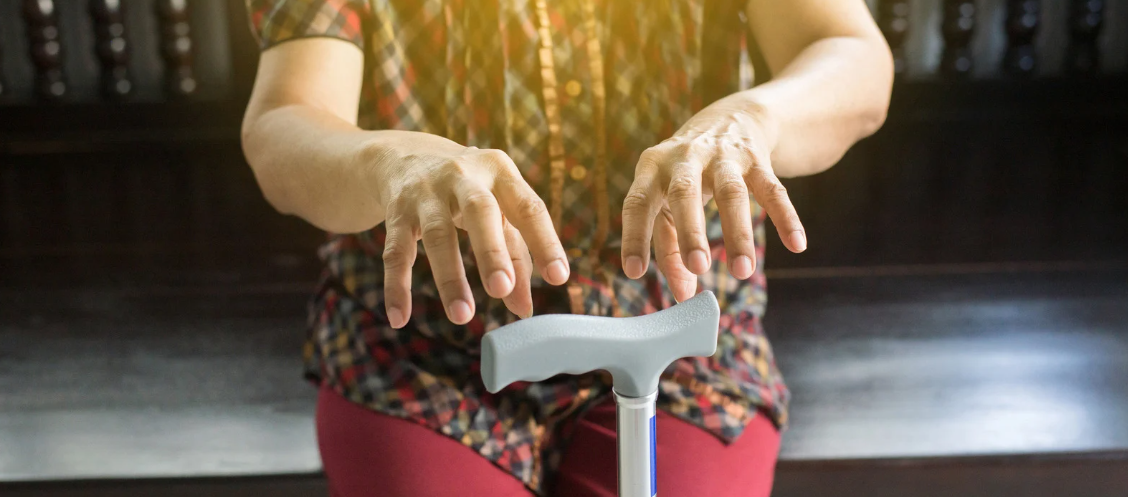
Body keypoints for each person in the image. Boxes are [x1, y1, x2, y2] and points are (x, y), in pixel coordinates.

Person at [241, 1, 892, 495]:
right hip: (424, 342)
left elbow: (849, 55)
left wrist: (754, 119)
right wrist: (392, 165)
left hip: (678, 334)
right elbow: (283, 126)